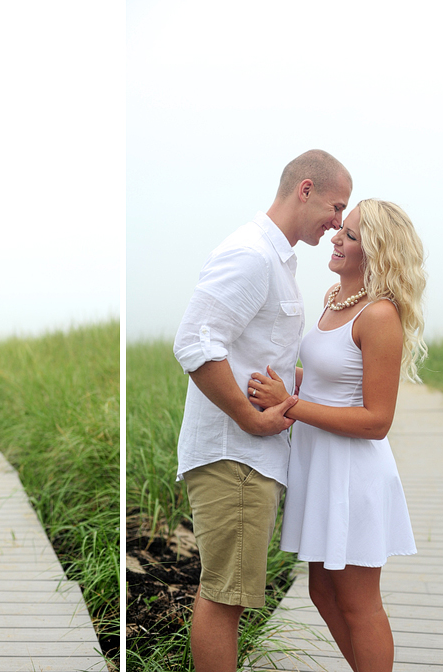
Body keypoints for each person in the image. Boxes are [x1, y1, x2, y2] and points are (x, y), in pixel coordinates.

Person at [173, 150, 353, 672]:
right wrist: (249, 419)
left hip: (248, 460)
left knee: (226, 593)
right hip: (237, 457)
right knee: (225, 596)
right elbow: (194, 343)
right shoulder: (252, 255)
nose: (339, 222)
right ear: (306, 189)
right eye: (336, 206)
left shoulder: (276, 259)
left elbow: (257, 359)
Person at [247, 199, 426, 672]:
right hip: (319, 465)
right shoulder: (333, 298)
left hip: (353, 472)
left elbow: (377, 420)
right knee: (322, 591)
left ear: (377, 249)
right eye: (339, 231)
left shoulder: (380, 315)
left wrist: (289, 405)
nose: (335, 238)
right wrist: (291, 382)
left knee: (359, 603)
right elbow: (332, 378)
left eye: (348, 235)